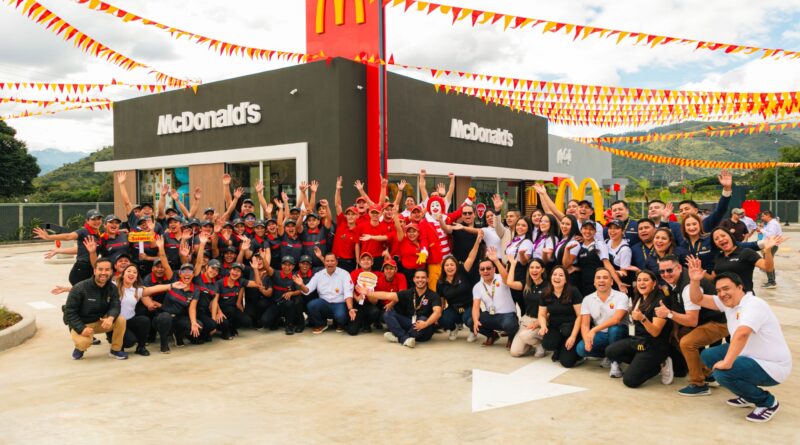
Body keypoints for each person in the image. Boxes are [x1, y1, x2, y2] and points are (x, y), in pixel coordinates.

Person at [688, 259, 792, 423]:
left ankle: (767, 403)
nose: (722, 294)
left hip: (772, 366)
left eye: (726, 288)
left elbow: (742, 333)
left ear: (740, 287)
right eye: (719, 290)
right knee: (708, 355)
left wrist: (727, 362)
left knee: (722, 373)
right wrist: (694, 281)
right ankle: (747, 393)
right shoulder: (728, 303)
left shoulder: (753, 304)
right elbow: (697, 299)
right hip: (749, 354)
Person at [654, 254, 724, 395]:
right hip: (704, 319)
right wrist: (675, 329)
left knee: (687, 343)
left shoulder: (687, 286)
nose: (666, 274)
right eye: (662, 271)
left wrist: (668, 314)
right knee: (677, 337)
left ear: (679, 267)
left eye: (669, 270)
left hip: (721, 321)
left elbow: (692, 320)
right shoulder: (674, 281)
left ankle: (699, 385)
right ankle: (707, 374)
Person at [605, 270, 673, 388]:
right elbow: (632, 324)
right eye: (639, 280)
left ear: (654, 283)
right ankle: (642, 363)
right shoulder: (638, 297)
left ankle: (659, 364)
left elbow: (655, 332)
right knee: (610, 351)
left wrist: (642, 318)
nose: (641, 283)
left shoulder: (661, 301)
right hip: (638, 340)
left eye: (646, 280)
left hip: (653, 344)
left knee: (630, 381)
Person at [64, 258, 127, 360]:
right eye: (100, 269)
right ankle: (79, 348)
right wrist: (81, 328)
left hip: (100, 322)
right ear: (94, 271)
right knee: (84, 343)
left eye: (107, 270)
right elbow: (70, 312)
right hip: (82, 323)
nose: (103, 273)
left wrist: (110, 318)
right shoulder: (80, 288)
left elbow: (115, 305)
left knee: (121, 319)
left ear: (111, 272)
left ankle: (115, 350)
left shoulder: (112, 288)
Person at [361, 269, 442, 348]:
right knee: (388, 314)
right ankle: (404, 338)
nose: (420, 280)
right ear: (414, 279)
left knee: (423, 319)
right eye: (417, 277)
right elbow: (387, 295)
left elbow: (437, 312)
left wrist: (426, 323)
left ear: (427, 279)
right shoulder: (409, 292)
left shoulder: (433, 295)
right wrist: (368, 293)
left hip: (424, 328)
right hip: (410, 324)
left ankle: (398, 336)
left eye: (423, 277)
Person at [576, 269, 629, 376]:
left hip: (620, 333)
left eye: (605, 278)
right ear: (594, 282)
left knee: (614, 329)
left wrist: (594, 329)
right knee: (581, 349)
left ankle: (615, 363)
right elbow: (585, 324)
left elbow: (616, 319)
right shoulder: (588, 299)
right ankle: (609, 355)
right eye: (598, 278)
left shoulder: (621, 296)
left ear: (611, 281)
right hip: (602, 335)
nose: (601, 280)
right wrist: (587, 340)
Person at [115, 264, 174, 356]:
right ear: (123, 274)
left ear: (136, 277)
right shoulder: (113, 286)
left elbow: (153, 289)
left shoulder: (136, 290)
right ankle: (117, 348)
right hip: (116, 322)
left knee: (144, 320)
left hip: (129, 320)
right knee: (129, 341)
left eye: (135, 272)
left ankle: (141, 347)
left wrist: (171, 285)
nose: (132, 273)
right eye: (129, 271)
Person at [34, 209, 103, 285]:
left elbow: (80, 249)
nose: (97, 221)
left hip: (91, 269)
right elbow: (68, 236)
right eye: (93, 219)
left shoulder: (97, 234)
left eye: (99, 219)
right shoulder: (83, 231)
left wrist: (59, 250)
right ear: (87, 221)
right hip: (82, 270)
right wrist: (49, 237)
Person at [467, 247, 519, 347]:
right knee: (471, 321)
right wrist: (476, 320)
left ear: (494, 269)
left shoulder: (500, 277)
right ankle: (492, 335)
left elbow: (507, 278)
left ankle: (511, 338)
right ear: (479, 271)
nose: (485, 271)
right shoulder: (477, 286)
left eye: (488, 268)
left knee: (511, 325)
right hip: (491, 315)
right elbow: (476, 307)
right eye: (482, 269)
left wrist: (496, 260)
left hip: (507, 315)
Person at [294, 252, 355, 334]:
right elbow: (307, 290)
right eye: (327, 261)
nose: (330, 263)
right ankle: (321, 324)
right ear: (324, 262)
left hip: (339, 303)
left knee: (341, 316)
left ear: (336, 262)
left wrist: (350, 308)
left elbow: (348, 293)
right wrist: (301, 285)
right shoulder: (319, 274)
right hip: (324, 303)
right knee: (312, 305)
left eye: (332, 261)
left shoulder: (344, 274)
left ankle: (340, 323)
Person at [438, 232, 483, 341]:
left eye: (452, 264)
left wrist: (477, 242)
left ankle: (473, 331)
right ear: (443, 268)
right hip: (454, 308)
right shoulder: (440, 282)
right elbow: (442, 301)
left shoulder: (462, 271)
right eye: (447, 265)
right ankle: (453, 329)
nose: (449, 267)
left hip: (469, 306)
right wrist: (439, 314)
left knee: (469, 319)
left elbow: (471, 257)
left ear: (456, 266)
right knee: (442, 318)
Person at [537, 265, 583, 368]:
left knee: (567, 362)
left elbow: (580, 316)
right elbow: (541, 314)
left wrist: (573, 336)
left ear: (566, 279)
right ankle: (559, 347)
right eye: (554, 274)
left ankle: (577, 353)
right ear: (550, 277)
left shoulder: (573, 291)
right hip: (555, 327)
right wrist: (543, 326)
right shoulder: (545, 292)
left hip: (572, 328)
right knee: (547, 344)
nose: (557, 277)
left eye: (561, 275)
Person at [711, 228, 781, 294]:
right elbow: (714, 278)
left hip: (744, 299)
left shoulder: (746, 252)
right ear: (715, 244)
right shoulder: (718, 257)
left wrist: (768, 251)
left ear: (730, 236)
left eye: (723, 235)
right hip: (724, 299)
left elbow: (768, 268)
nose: (720, 239)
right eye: (716, 239)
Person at [506, 257, 547, 358]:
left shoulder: (548, 286)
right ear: (528, 270)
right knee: (515, 352)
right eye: (531, 267)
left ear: (543, 270)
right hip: (526, 320)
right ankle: (531, 342)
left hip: (541, 321)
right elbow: (510, 283)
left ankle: (539, 344)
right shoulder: (526, 284)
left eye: (537, 267)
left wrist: (538, 323)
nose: (534, 270)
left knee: (525, 336)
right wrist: (513, 264)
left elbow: (551, 309)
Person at [759, 210, 783, 288]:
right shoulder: (770, 223)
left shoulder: (773, 224)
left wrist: (761, 230)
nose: (762, 217)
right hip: (769, 245)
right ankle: (772, 281)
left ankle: (771, 282)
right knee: (769, 262)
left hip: (771, 245)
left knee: (768, 263)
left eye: (763, 216)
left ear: (768, 215)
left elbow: (771, 235)